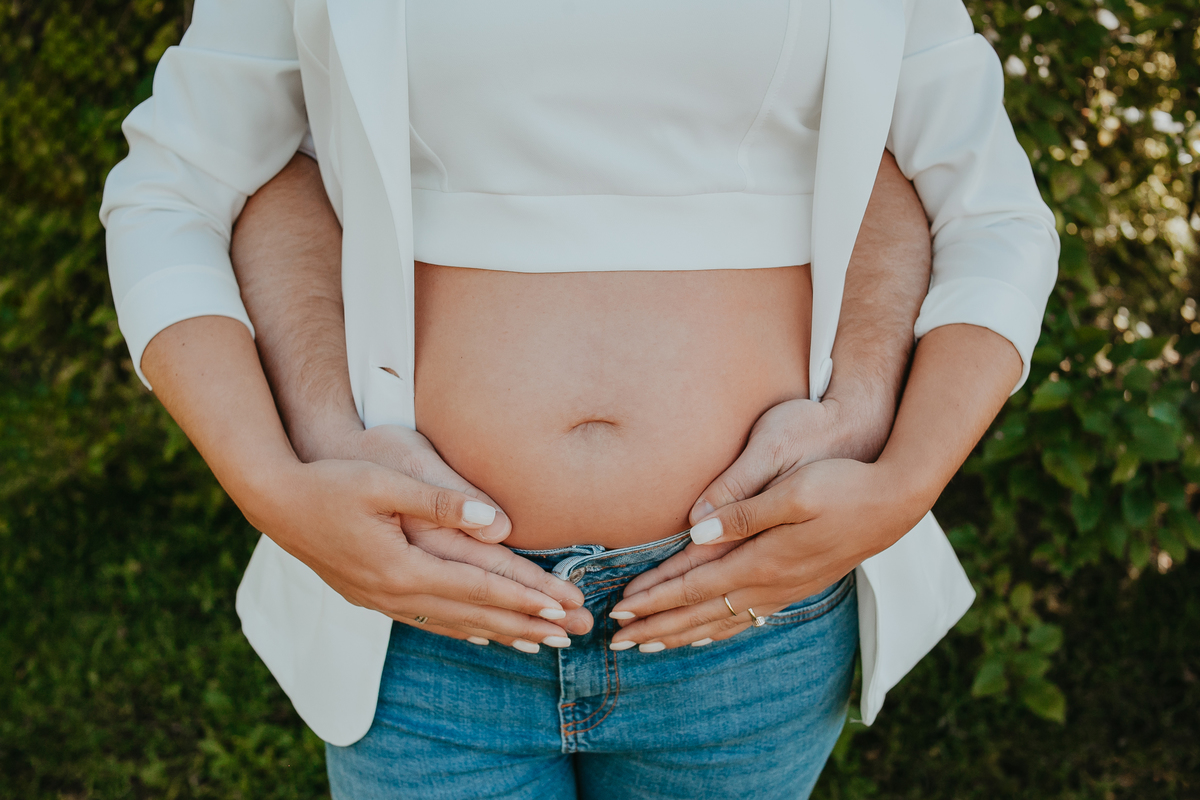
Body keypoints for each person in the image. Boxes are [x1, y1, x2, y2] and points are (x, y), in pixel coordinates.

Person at [100, 0, 1058, 796]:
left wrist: (902, 486)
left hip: (748, 609)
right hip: (423, 611)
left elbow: (993, 215)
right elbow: (175, 190)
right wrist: (272, 487)